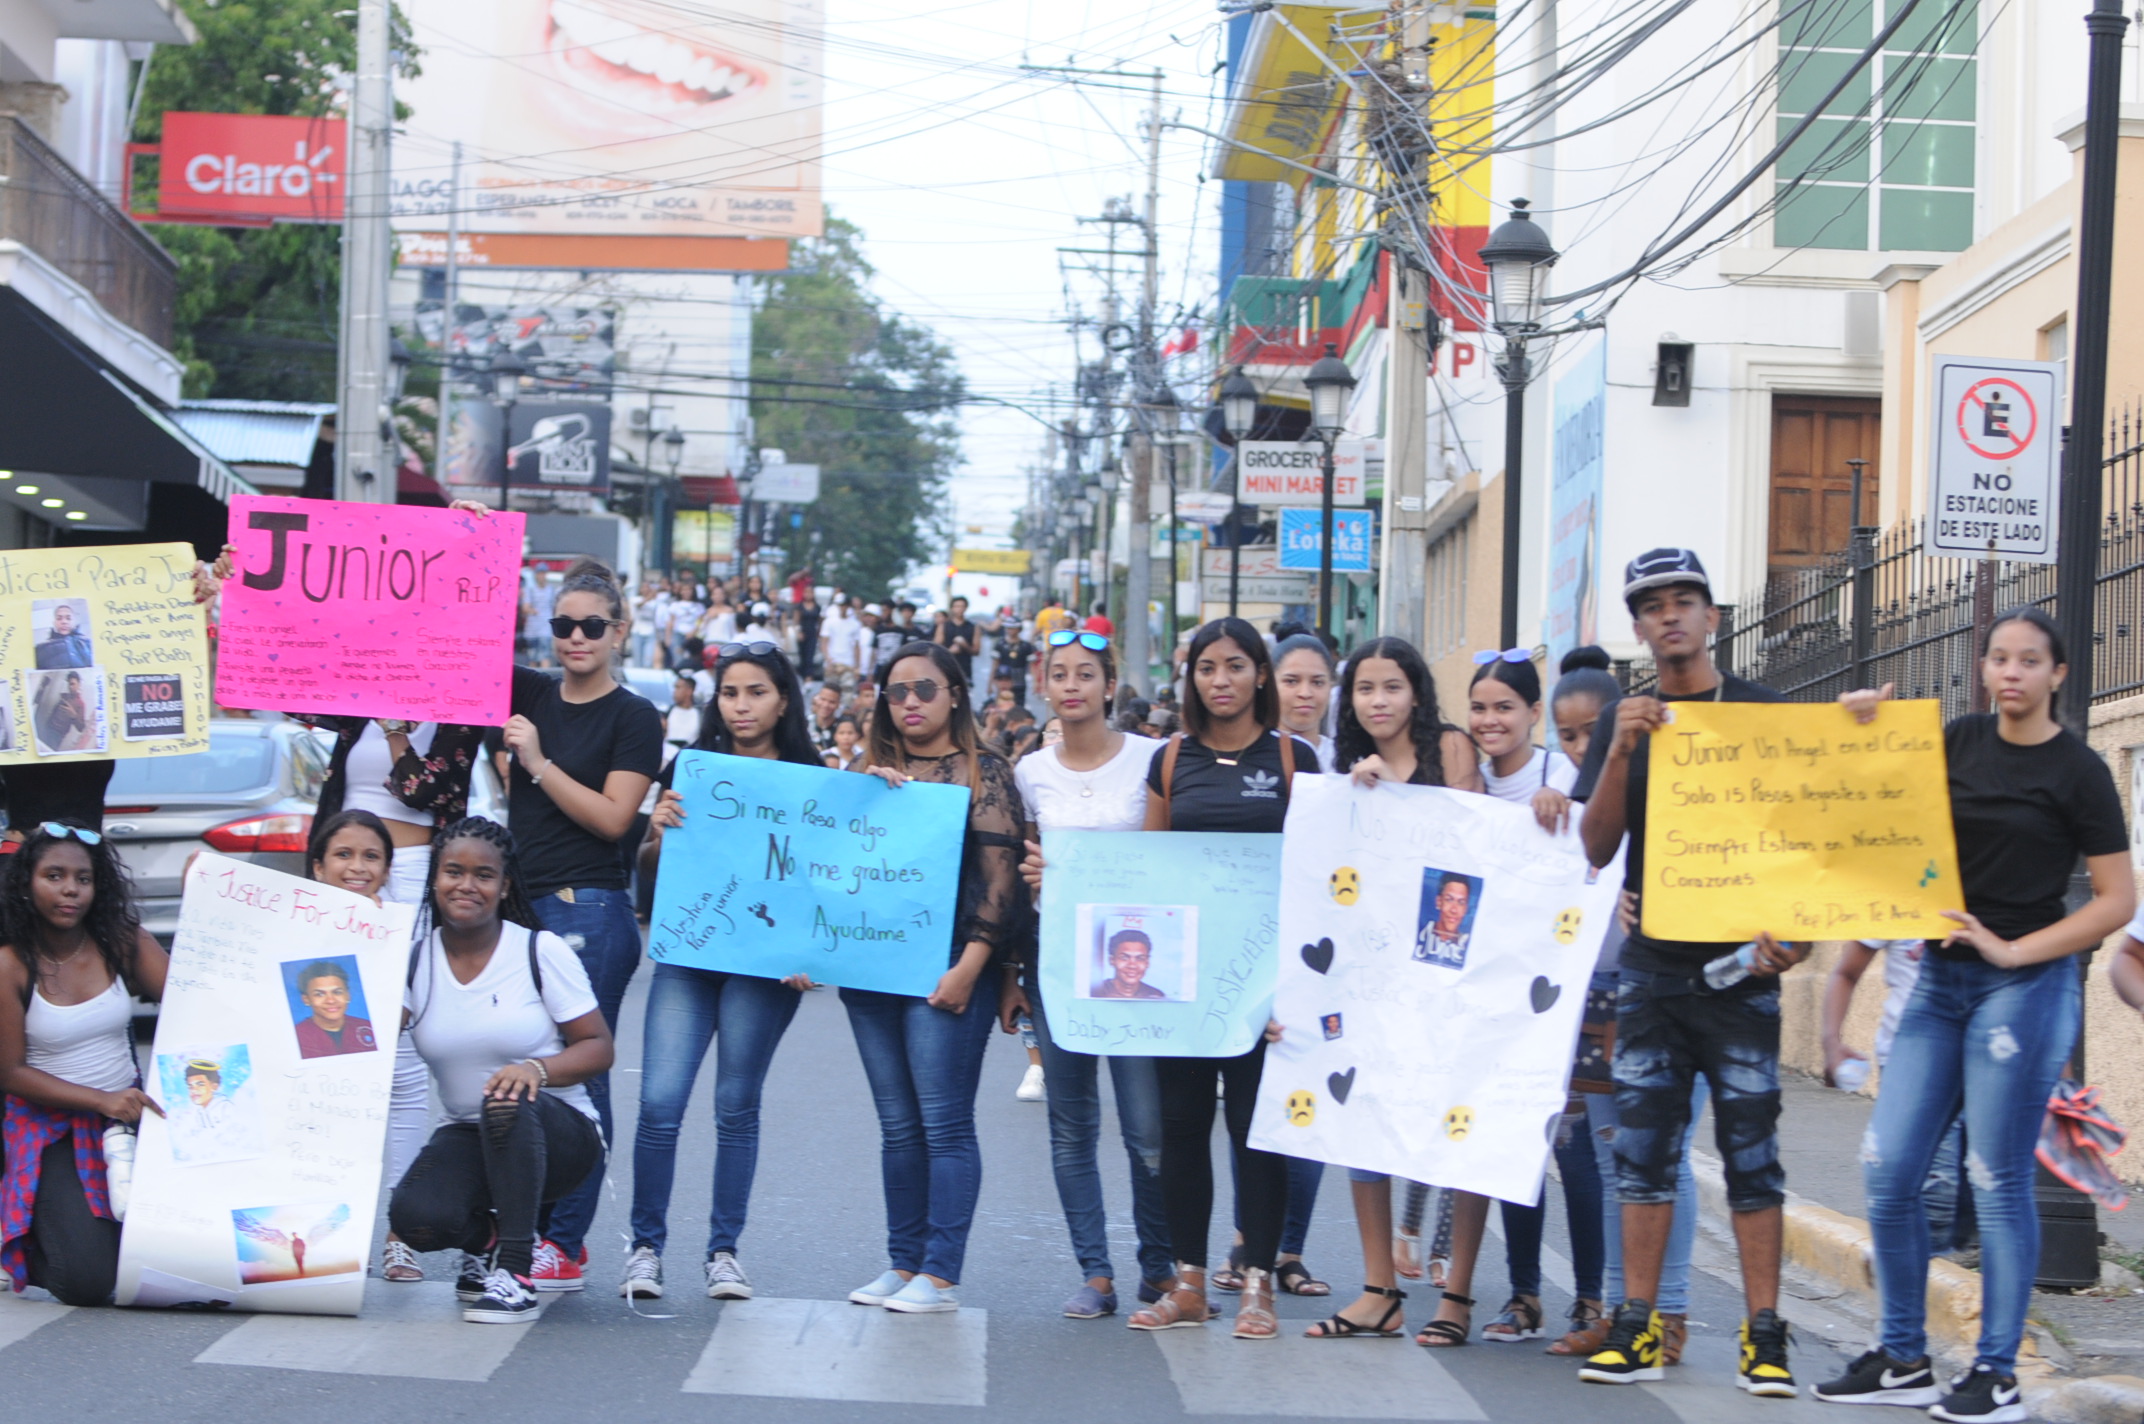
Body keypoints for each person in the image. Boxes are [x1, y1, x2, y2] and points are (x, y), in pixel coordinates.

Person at [1816, 607, 2133, 1423]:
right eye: (1999, 659)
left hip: (2024, 988)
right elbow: (1874, 811)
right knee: (1888, 1170)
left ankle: (1995, 1373)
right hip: (1941, 982)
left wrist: (2018, 951)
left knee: (1995, 1180)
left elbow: (2116, 901)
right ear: (1984, 669)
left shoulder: (2079, 772)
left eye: (2030, 660)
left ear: (2058, 674)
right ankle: (1902, 1356)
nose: (2012, 673)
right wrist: (1861, 730)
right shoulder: (1953, 742)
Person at [1573, 548, 1814, 1396]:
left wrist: (1800, 942)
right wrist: (1618, 753)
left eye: (1685, 602)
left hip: (1742, 971)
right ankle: (1636, 1326)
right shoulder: (1624, 718)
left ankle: (1766, 1335)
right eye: (1652, 606)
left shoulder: (1760, 713)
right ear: (1637, 628)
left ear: (1713, 616)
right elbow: (1596, 847)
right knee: (1644, 1151)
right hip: (1651, 969)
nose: (1669, 616)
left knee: (1754, 1154)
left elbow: (1803, 849)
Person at [1124, 618, 1317, 1341]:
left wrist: (1299, 986)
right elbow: (1149, 873)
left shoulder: (1298, 760)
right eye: (1208, 668)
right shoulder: (1170, 760)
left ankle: (1258, 1284)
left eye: (1236, 666)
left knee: (1255, 1132)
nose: (1222, 680)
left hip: (1268, 987)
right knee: (1180, 1130)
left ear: (1260, 674)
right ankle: (1190, 1283)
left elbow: (1321, 878)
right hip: (1186, 983)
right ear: (1192, 678)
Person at [620, 642, 821, 1302]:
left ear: (782, 700)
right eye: (730, 692)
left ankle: (723, 1253)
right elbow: (653, 873)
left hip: (764, 969)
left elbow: (828, 880)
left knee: (736, 1106)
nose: (741, 705)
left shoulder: (811, 777)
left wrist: (810, 955)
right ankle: (645, 1249)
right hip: (688, 954)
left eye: (755, 692)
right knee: (658, 1103)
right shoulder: (692, 767)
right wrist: (657, 832)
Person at [1300, 636, 1485, 1344]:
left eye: (1392, 687)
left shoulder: (1452, 749)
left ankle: (1457, 1295)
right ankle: (1380, 1288)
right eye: (1366, 689)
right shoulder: (1344, 769)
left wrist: (1398, 801)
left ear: (1416, 694)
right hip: (1372, 973)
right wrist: (1359, 797)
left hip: (1448, 967)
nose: (1378, 701)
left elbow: (1472, 847)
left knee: (1460, 1127)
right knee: (1364, 1119)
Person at [843, 641, 1022, 1314]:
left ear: (954, 696)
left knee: (944, 1124)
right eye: (897, 692)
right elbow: (834, 872)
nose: (911, 702)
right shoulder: (867, 775)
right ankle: (903, 1260)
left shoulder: (985, 772)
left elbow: (1002, 885)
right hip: (870, 969)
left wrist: (970, 969)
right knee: (898, 1126)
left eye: (924, 689)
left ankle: (941, 1274)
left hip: (948, 965)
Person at [502, 554, 663, 1289]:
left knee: (580, 1071)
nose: (574, 638)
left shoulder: (634, 717)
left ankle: (562, 1241)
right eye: (562, 625)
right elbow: (451, 638)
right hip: (522, 907)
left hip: (589, 908)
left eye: (590, 627)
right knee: (524, 1068)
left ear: (619, 632)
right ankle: (529, 1231)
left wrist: (535, 761)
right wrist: (469, 536)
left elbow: (613, 819)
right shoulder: (530, 690)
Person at [1004, 628, 1173, 1318]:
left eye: (1086, 673)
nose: (1072, 685)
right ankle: (1095, 1272)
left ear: (1110, 684)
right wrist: (1012, 973)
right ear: (1045, 687)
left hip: (1138, 967)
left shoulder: (1153, 760)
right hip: (1057, 961)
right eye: (1059, 674)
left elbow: (1167, 863)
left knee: (1147, 1127)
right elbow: (1018, 878)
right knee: (1071, 1125)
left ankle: (1159, 1268)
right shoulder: (1029, 772)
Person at [389, 818, 614, 1323]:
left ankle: (515, 1273)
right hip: (470, 1134)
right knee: (414, 1220)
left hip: (557, 1137)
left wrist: (537, 1068)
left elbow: (598, 1047)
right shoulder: (412, 962)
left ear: (504, 884)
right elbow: (364, 1041)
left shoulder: (538, 950)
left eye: (483, 875)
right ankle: (490, 1242)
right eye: (453, 872)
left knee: (505, 1099)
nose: (466, 885)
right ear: (434, 878)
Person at [1463, 648, 1603, 1347]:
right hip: (1492, 992)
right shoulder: (1465, 780)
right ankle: (1523, 1293)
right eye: (1479, 708)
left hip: (1565, 989)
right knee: (1512, 1145)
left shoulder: (1564, 774)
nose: (1491, 721)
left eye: (1504, 708)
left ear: (1531, 713)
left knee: (1575, 1151)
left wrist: (1568, 804)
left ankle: (1589, 1298)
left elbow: (1604, 844)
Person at [0, 823, 169, 1305]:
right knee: (88, 1282)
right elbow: (9, 1073)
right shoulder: (10, 965)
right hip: (51, 1124)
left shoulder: (120, 941)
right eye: (53, 876)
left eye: (83, 878)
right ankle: (19, 1234)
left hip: (131, 1119)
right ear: (26, 883)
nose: (70, 889)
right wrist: (102, 1100)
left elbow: (192, 998)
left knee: (161, 1255)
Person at [1273, 633, 1338, 771]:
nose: (1305, 693)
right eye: (1291, 681)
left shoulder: (1346, 762)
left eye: (1317, 682)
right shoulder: (1252, 756)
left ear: (1330, 686)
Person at [292, 960, 378, 1058]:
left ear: (348, 995)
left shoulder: (370, 1028)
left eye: (337, 992)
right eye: (319, 994)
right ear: (306, 999)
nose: (331, 1001)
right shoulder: (296, 1036)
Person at [936, 596, 980, 688]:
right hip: (947, 668)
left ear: (966, 608)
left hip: (965, 669)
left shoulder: (973, 627)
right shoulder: (944, 626)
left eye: (962, 606)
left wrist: (965, 645)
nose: (959, 609)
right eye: (957, 606)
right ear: (952, 608)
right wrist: (949, 651)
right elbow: (935, 648)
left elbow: (976, 651)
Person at [34, 603, 91, 670]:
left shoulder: (88, 644)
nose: (64, 622)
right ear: (54, 622)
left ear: (74, 622)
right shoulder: (41, 649)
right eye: (59, 618)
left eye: (68, 618)